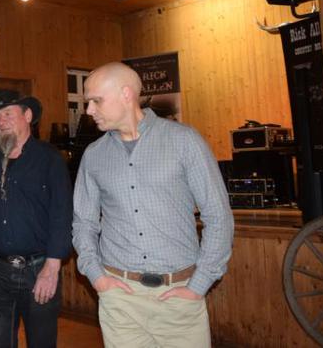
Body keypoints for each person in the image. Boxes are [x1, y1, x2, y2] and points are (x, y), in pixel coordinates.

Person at [72, 62, 234, 348]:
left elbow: (218, 216)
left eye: (96, 101)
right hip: (119, 300)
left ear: (126, 94)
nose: (89, 110)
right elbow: (83, 222)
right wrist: (98, 278)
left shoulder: (184, 141)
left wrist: (197, 286)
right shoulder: (93, 155)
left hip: (180, 300)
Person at [0, 90, 73, 348]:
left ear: (27, 116)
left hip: (38, 269)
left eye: (7, 114)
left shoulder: (50, 159)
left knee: (41, 343)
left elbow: (62, 214)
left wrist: (52, 268)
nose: (1, 121)